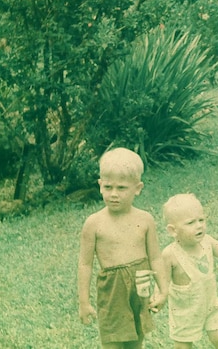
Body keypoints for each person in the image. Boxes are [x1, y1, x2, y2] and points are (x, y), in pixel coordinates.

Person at [77, 148, 169, 349]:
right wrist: (84, 302)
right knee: (112, 341)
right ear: (100, 185)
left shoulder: (145, 220)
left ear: (138, 188)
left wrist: (163, 290)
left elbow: (155, 258)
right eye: (108, 187)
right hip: (112, 291)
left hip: (140, 286)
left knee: (137, 340)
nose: (114, 194)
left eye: (121, 188)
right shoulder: (94, 223)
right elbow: (85, 265)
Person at [161, 193, 218, 349]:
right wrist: (158, 298)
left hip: (210, 304)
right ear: (173, 230)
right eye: (191, 223)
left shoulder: (207, 242)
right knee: (183, 346)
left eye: (201, 220)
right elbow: (163, 284)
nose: (199, 226)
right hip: (184, 311)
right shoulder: (170, 254)